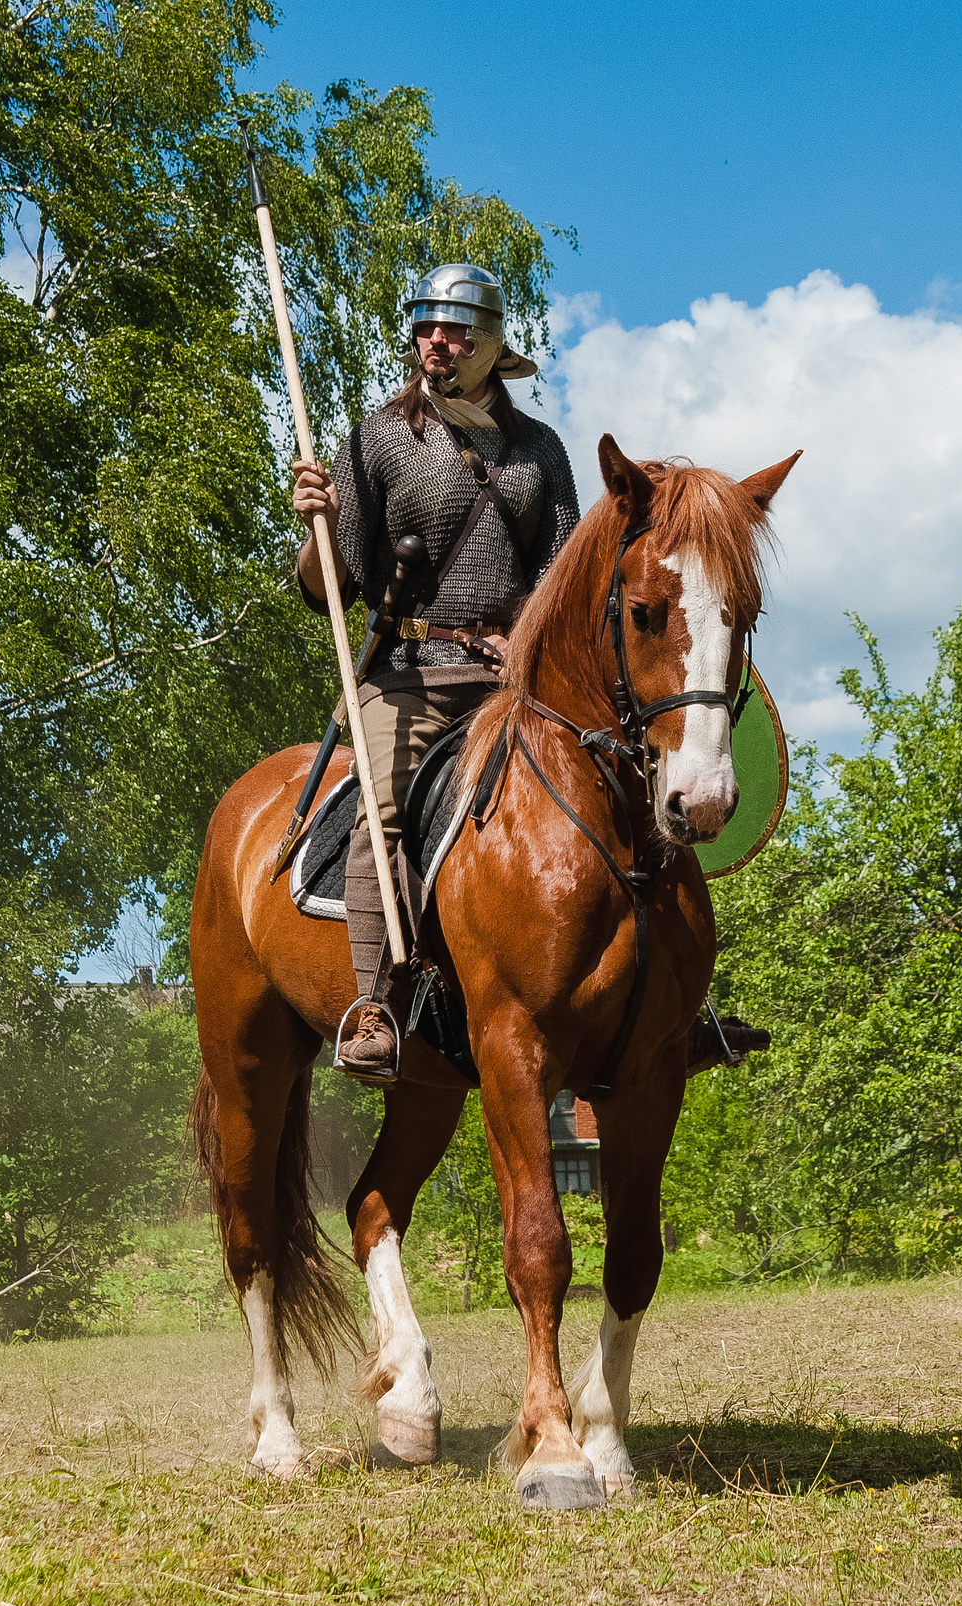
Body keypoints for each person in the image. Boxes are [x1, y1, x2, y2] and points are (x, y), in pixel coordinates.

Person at [290, 263, 581, 1079]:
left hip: (514, 683)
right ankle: (374, 1003)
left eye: (453, 329)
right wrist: (322, 525)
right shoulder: (377, 438)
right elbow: (328, 592)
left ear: (494, 344)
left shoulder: (540, 452)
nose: (435, 343)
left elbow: (560, 583)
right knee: (379, 811)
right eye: (424, 327)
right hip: (412, 673)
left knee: (614, 784)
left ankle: (662, 1005)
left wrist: (521, 649)